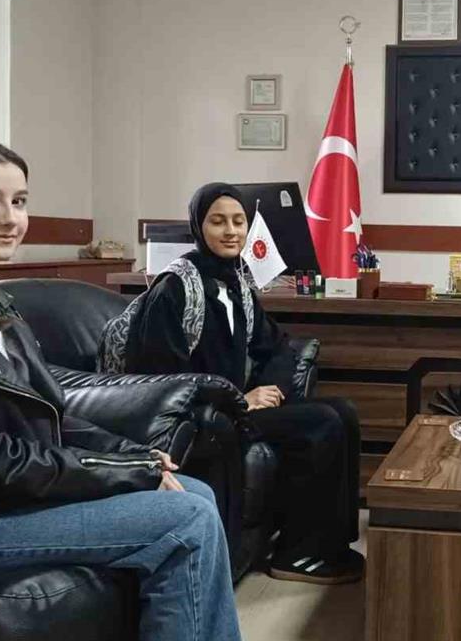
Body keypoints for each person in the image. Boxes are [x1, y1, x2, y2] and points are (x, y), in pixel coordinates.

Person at [0, 138, 240, 641]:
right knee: (185, 517)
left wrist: (136, 455)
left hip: (6, 501)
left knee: (195, 493)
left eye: (19, 201)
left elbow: (52, 415)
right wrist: (125, 473)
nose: (10, 218)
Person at [121, 182, 364, 585]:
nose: (231, 231)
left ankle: (330, 545)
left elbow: (278, 346)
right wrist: (241, 399)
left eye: (238, 221)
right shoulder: (175, 287)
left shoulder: (238, 282)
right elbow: (162, 378)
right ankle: (296, 554)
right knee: (321, 423)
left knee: (344, 412)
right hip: (203, 416)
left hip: (236, 408)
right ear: (198, 227)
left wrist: (269, 391)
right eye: (218, 222)